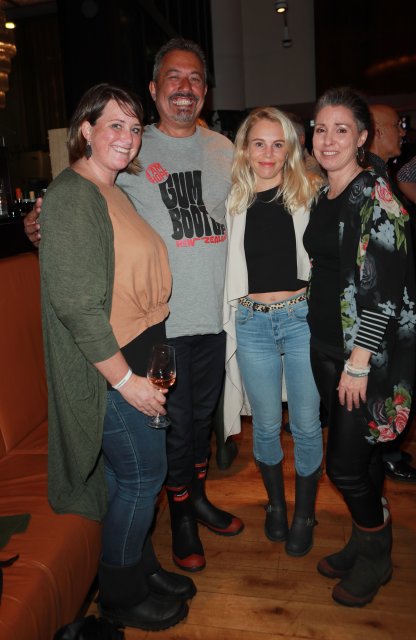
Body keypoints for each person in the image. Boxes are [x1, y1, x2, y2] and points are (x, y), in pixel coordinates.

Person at [26, 39, 244, 573]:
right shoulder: (131, 149)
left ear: (206, 90)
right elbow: (81, 194)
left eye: (195, 78)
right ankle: (182, 520)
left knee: (200, 422)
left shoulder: (224, 149)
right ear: (154, 88)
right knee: (172, 430)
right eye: (174, 77)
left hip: (213, 317)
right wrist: (41, 221)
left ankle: (197, 499)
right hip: (159, 326)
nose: (185, 88)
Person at [39, 83, 194, 632]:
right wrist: (128, 382)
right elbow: (78, 308)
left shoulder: (112, 189)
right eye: (114, 126)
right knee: (143, 477)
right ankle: (121, 596)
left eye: (133, 128)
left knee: (135, 477)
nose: (128, 138)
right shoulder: (70, 196)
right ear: (86, 130)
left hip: (139, 354)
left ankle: (142, 567)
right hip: (112, 371)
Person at [304, 87, 416, 607]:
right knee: (365, 457)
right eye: (321, 129)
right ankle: (363, 541)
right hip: (325, 347)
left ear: (363, 138)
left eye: (341, 130)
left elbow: (385, 292)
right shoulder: (323, 194)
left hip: (364, 358)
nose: (328, 140)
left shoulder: (379, 198)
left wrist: (357, 363)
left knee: (344, 468)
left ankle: (376, 555)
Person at [223, 107, 324, 557]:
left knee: (305, 425)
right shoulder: (232, 202)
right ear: (245, 149)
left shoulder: (310, 194)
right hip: (252, 323)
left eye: (277, 144)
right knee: (264, 426)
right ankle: (277, 506)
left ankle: (305, 514)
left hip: (301, 320)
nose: (267, 153)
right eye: (259, 143)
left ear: (290, 149)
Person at [366, 104, 416, 483]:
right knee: (386, 381)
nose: (403, 131)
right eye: (396, 125)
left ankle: (387, 451)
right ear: (377, 132)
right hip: (384, 311)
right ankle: (385, 454)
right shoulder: (368, 180)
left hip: (397, 306)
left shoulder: (383, 173)